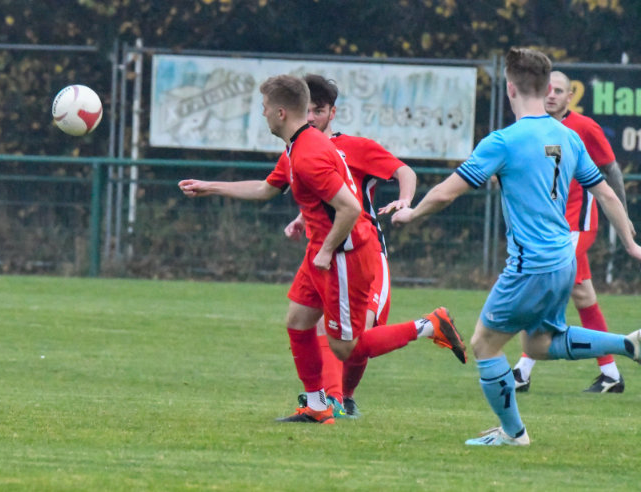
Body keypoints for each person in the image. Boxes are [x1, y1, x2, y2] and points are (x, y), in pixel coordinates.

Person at [179, 74, 467, 425]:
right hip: (323, 250)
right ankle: (317, 406)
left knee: (345, 347)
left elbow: (350, 208)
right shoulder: (298, 146)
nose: (263, 113)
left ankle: (430, 325)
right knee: (298, 322)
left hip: (346, 256)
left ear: (282, 113)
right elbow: (266, 189)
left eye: (265, 107)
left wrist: (327, 250)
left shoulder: (308, 154)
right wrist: (210, 187)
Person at [391, 47, 641, 446]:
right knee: (539, 344)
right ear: (545, 89)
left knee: (484, 344)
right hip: (563, 259)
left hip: (531, 265)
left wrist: (411, 213)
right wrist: (631, 242)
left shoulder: (503, 141)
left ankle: (513, 433)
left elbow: (446, 192)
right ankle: (627, 344)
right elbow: (607, 193)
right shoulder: (568, 137)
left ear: (510, 89)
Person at [284, 74, 429, 419]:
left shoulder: (354, 147)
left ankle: (343, 397)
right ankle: (331, 401)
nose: (311, 118)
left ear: (333, 113)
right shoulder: (298, 149)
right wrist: (302, 218)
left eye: (319, 111)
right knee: (317, 324)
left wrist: (405, 200)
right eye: (306, 111)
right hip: (329, 250)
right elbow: (320, 196)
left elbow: (404, 172)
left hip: (366, 252)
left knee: (355, 335)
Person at [512, 70, 636, 394]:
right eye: (547, 90)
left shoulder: (584, 127)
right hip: (549, 227)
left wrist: (622, 216)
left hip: (577, 226)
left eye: (559, 91)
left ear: (570, 96)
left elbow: (611, 170)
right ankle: (611, 374)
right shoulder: (534, 127)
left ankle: (522, 372)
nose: (551, 95)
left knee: (542, 286)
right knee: (582, 296)